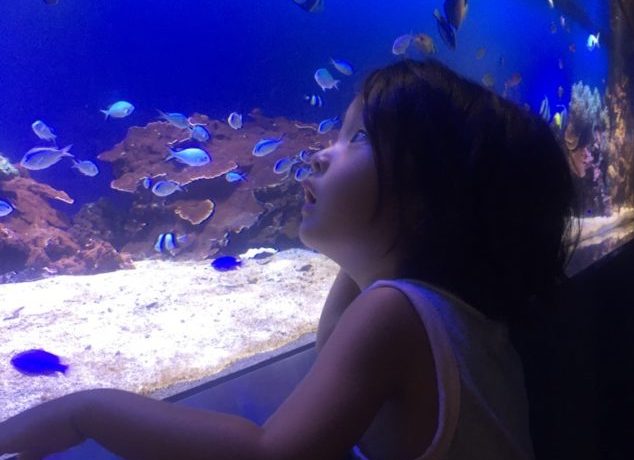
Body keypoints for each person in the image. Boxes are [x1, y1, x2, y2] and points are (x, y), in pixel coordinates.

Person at [0, 58, 579, 460]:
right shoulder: (452, 316)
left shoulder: (396, 314)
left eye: (359, 138)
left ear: (430, 200)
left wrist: (86, 412)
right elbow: (334, 348)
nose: (321, 153)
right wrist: (353, 246)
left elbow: (269, 455)